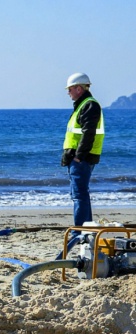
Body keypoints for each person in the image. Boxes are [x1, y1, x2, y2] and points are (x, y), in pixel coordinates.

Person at [61, 73, 105, 227]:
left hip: (82, 159)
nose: (68, 92)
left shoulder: (89, 105)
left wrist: (78, 156)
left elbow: (89, 133)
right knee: (80, 195)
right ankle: (86, 229)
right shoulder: (83, 104)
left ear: (79, 88)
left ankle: (80, 231)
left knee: (80, 196)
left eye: (70, 89)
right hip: (79, 158)